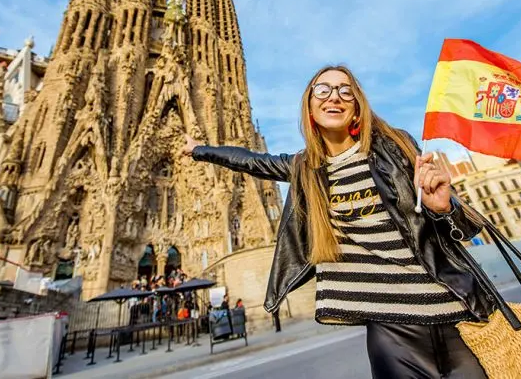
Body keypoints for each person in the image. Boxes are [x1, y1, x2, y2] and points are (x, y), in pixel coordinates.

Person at [183, 65, 497, 378]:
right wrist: (198, 150)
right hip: (392, 334)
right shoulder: (306, 169)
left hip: (458, 316)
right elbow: (251, 161)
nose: (334, 96)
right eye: (323, 90)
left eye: (345, 91)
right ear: (309, 107)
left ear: (357, 108)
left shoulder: (396, 146)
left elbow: (465, 229)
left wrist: (445, 208)